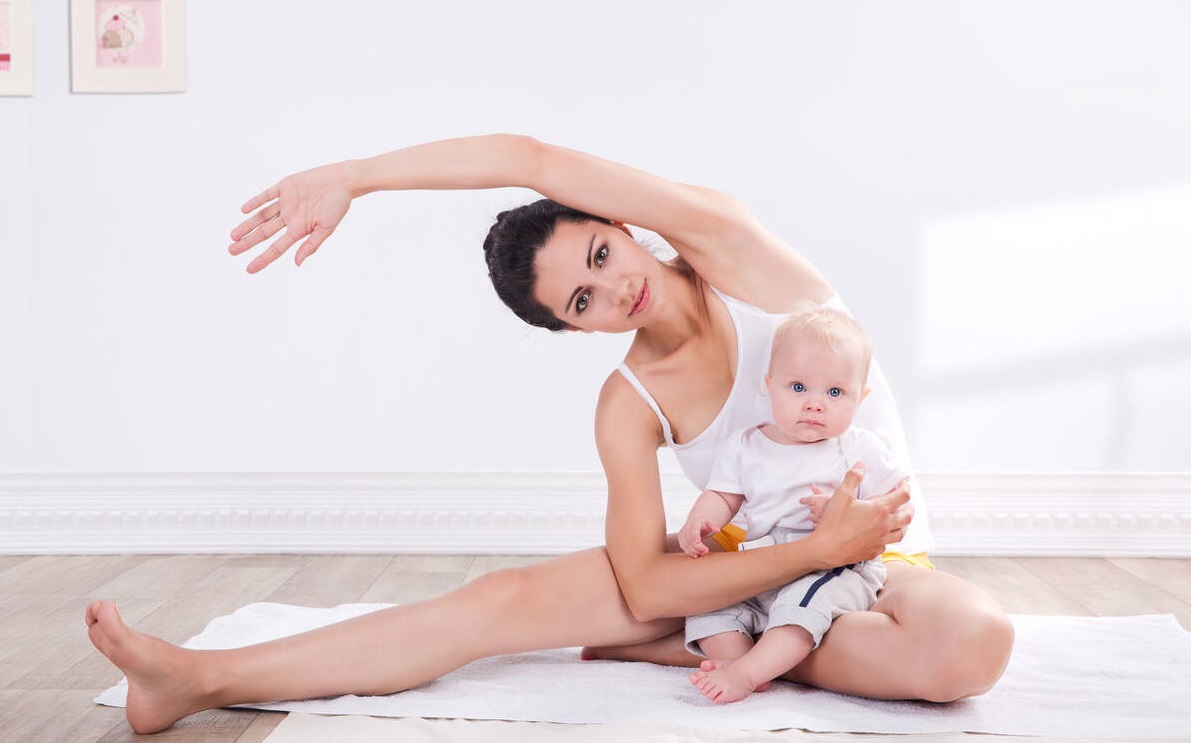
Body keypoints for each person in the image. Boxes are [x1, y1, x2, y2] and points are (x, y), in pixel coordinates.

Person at [84, 134, 1014, 735]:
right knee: (500, 601)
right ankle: (197, 677)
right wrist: (802, 551)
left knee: (969, 645)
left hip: (873, 566)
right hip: (744, 567)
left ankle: (695, 645)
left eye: (602, 255)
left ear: (619, 223)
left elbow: (528, 156)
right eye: (582, 300)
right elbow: (647, 581)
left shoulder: (736, 256)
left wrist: (354, 177)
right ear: (575, 328)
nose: (616, 290)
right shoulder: (628, 403)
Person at [678, 307, 907, 703]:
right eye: (798, 387)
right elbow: (723, 496)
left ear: (860, 398)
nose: (815, 404)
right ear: (770, 385)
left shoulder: (857, 447)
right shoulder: (746, 445)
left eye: (834, 393)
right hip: (766, 561)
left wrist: (843, 512)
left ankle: (747, 674)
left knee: (803, 603)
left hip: (836, 567)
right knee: (707, 604)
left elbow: (893, 504)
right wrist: (701, 520)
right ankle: (739, 660)